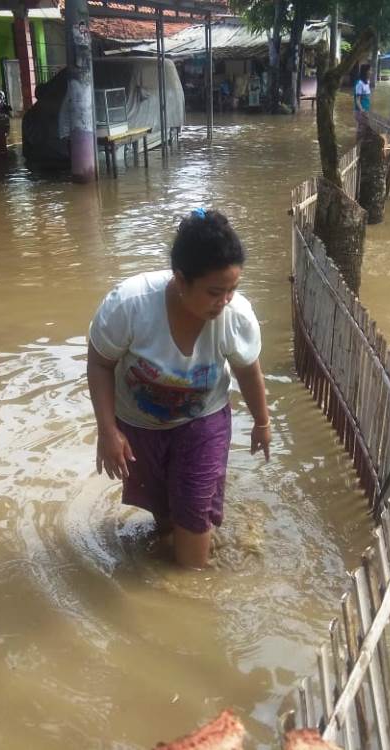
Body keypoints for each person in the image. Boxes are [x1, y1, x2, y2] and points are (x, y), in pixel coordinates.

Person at [86, 209, 270, 569]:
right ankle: (181, 550)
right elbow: (100, 363)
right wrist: (107, 432)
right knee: (164, 509)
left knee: (193, 508)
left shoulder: (236, 316)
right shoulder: (130, 305)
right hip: (140, 424)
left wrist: (262, 423)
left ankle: (193, 586)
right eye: (215, 292)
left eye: (233, 289)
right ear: (181, 280)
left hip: (203, 419)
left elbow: (249, 371)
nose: (226, 301)